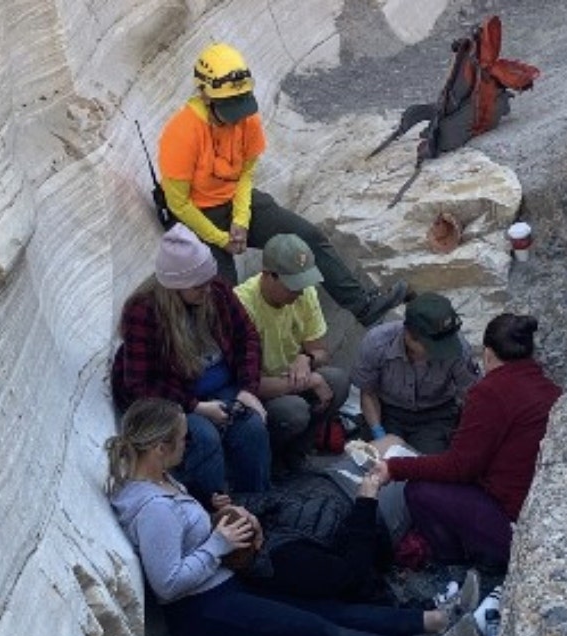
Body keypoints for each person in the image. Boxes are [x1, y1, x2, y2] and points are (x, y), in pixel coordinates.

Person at [106, 397, 480, 636]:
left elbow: (185, 537)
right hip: (202, 612)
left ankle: (436, 620)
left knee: (330, 609)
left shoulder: (162, 480)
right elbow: (167, 584)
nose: (189, 443)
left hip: (223, 585)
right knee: (319, 631)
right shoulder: (153, 507)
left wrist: (224, 518)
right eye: (183, 438)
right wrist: (218, 546)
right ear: (158, 448)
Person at [157, 41, 409, 326]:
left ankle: (363, 305)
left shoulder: (246, 119)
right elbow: (177, 203)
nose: (237, 115)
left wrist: (240, 220)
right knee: (222, 294)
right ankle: (223, 357)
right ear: (205, 95)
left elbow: (245, 175)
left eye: (241, 102)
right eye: (229, 105)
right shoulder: (182, 132)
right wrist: (221, 239)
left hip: (237, 202)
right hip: (200, 215)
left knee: (308, 236)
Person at [367, 313, 562, 571]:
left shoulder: (491, 392)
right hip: (536, 510)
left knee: (419, 491)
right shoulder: (550, 389)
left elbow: (461, 467)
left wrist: (394, 467)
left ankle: (452, 563)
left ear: (488, 354)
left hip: (510, 521)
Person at [110, 223, 270, 505]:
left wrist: (248, 388)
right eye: (198, 286)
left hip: (222, 385)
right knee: (203, 438)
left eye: (207, 282)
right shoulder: (144, 311)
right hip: (174, 397)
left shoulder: (215, 289)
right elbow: (140, 384)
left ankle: (256, 503)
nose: (207, 290)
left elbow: (247, 336)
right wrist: (194, 406)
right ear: (176, 286)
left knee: (252, 427)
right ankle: (213, 508)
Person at [233, 234, 350, 469]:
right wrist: (308, 382)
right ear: (268, 275)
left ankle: (299, 453)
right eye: (292, 285)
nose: (299, 292)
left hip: (292, 380)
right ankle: (271, 460)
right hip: (259, 395)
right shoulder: (241, 306)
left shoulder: (304, 293)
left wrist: (306, 358)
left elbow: (321, 350)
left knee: (338, 381)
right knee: (293, 412)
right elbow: (247, 384)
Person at [209, 471, 393, 603]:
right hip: (368, 512)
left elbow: (258, 501)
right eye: (246, 515)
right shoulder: (290, 561)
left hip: (327, 485)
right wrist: (366, 503)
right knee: (392, 451)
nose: (243, 509)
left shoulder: (252, 539)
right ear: (256, 540)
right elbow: (354, 570)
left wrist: (222, 502)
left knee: (385, 450)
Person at [351, 292, 480, 454]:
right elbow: (368, 393)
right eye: (433, 346)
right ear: (409, 335)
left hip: (436, 415)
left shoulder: (458, 349)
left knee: (426, 466)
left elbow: (472, 398)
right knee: (377, 460)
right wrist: (379, 433)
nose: (440, 352)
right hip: (387, 411)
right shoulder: (377, 343)